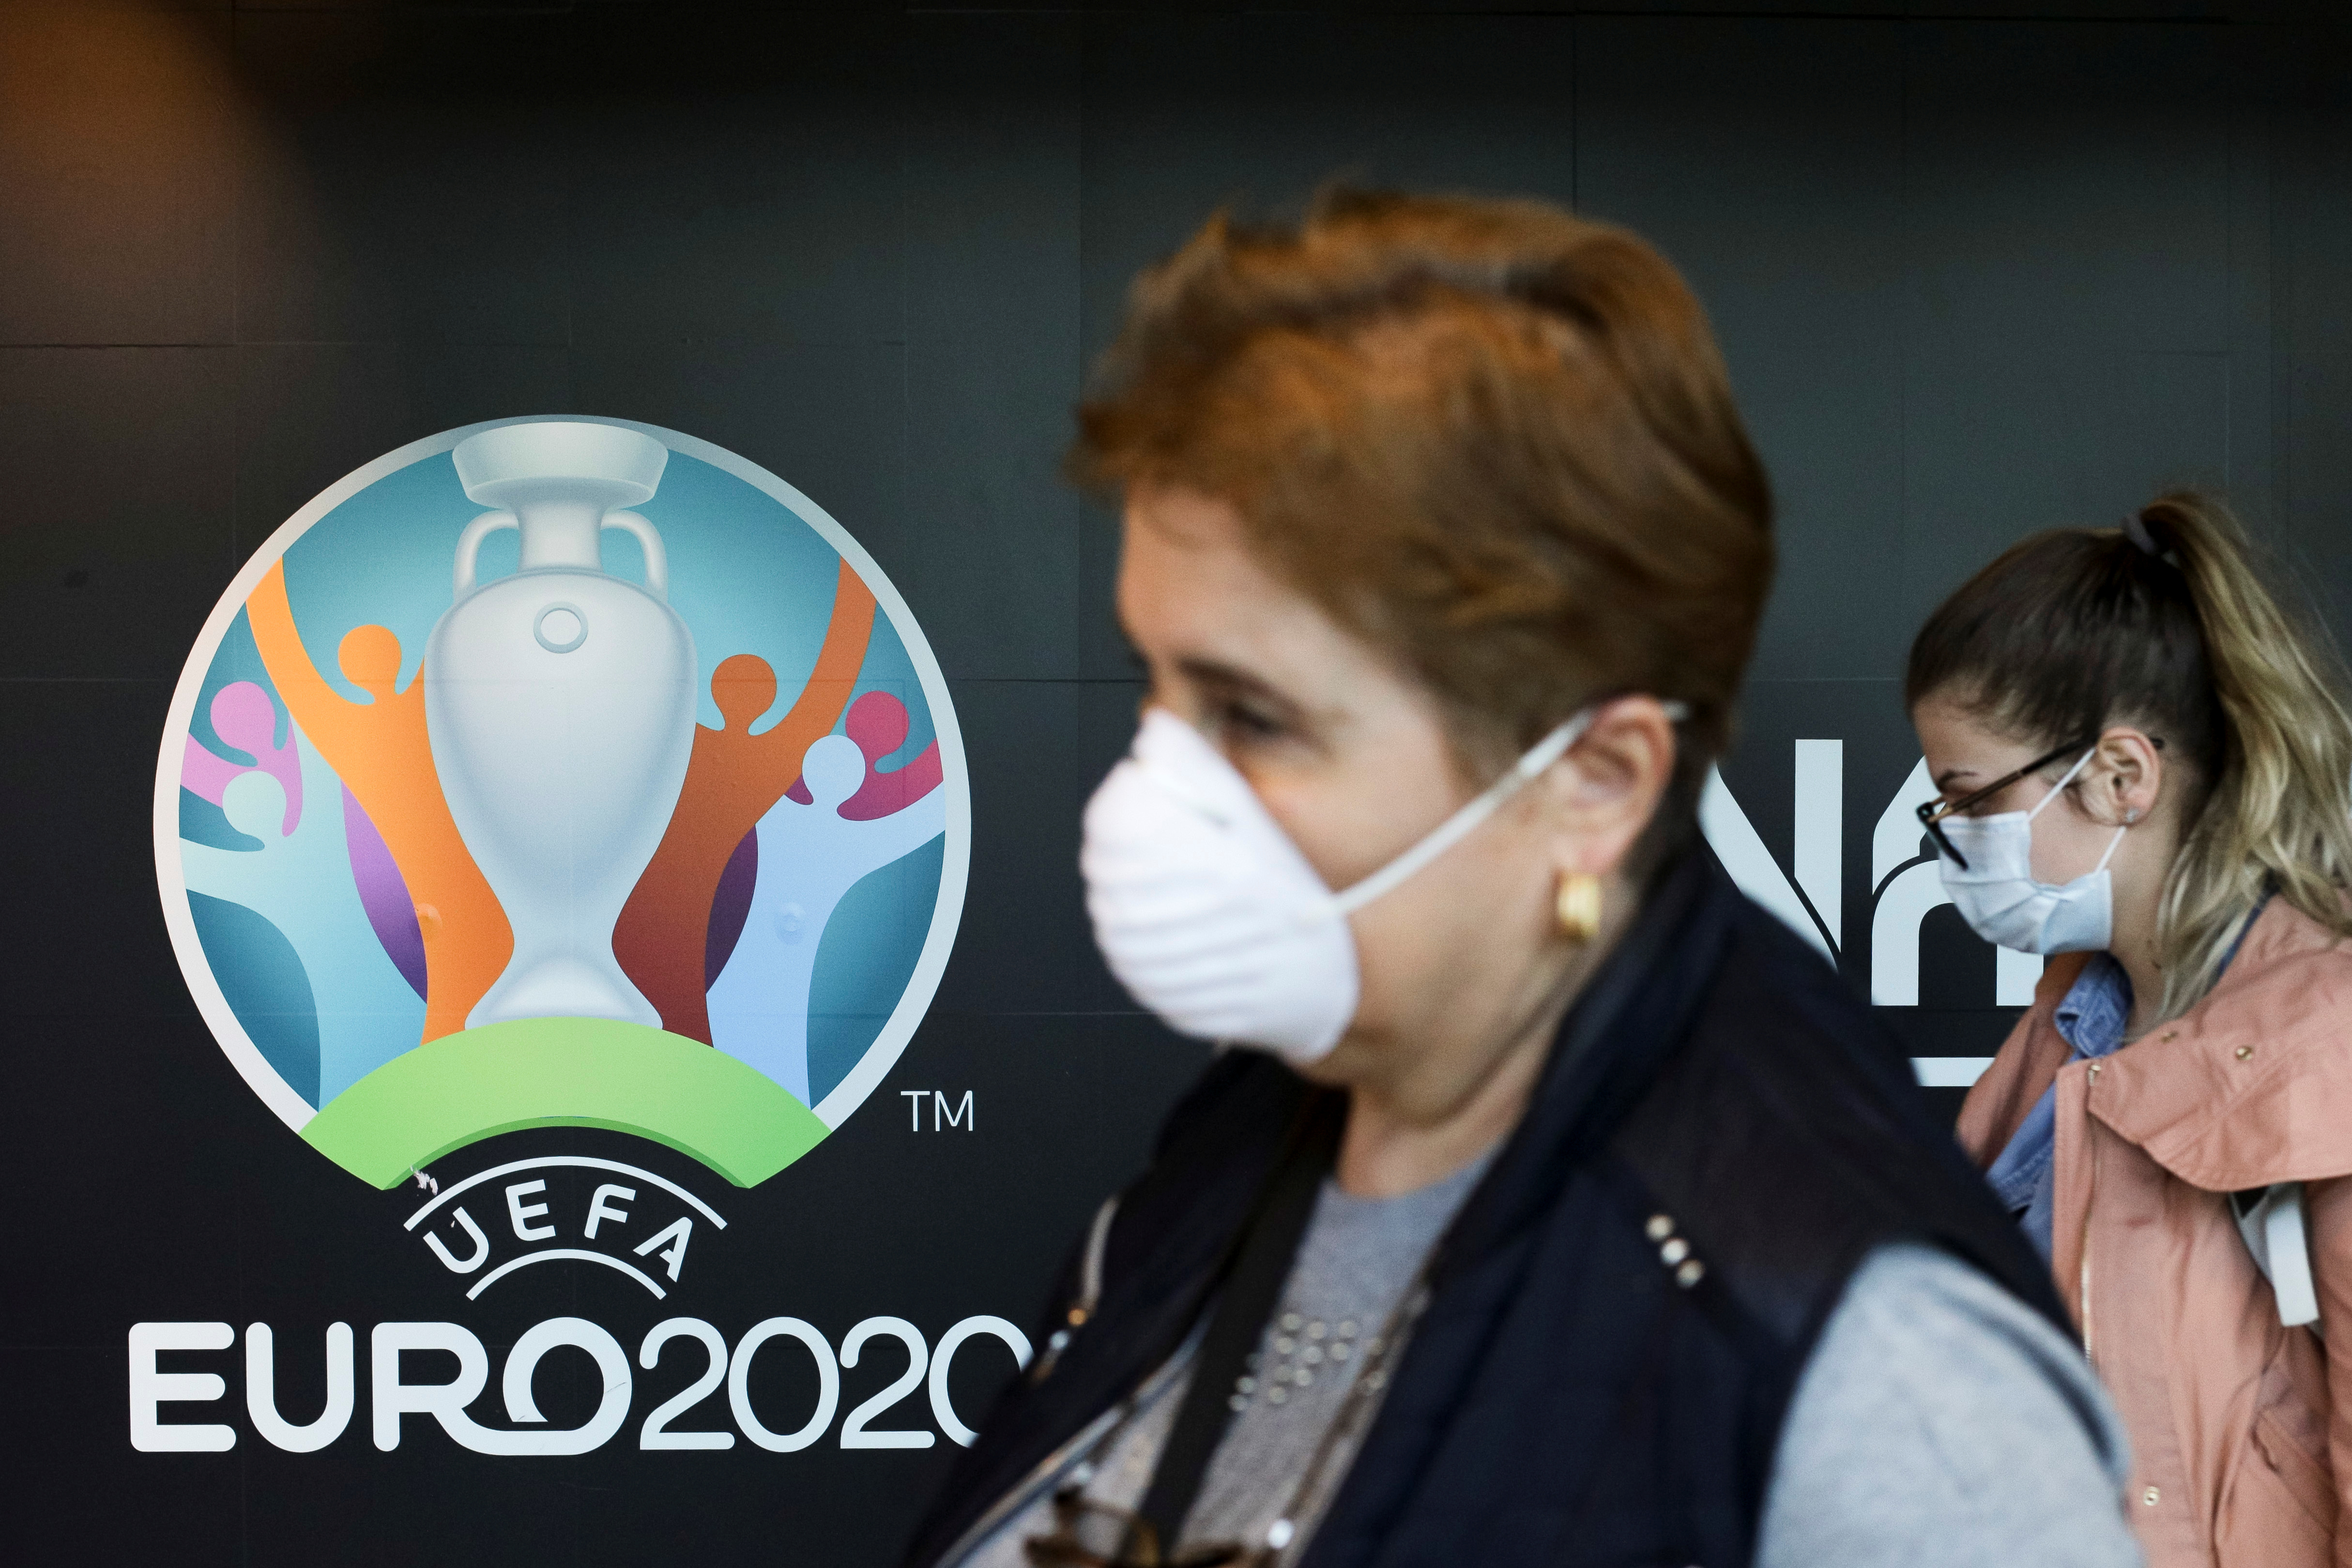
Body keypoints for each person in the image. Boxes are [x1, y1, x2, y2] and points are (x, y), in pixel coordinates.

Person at [901, 191, 2139, 1568]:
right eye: (1161, 689)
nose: (1152, 788)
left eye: (1254, 717)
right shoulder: (1237, 1150)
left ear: (1594, 782)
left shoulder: (1871, 1377)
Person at [1911, 495, 2352, 1567]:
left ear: (2117, 778)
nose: (1946, 839)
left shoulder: (2322, 1050)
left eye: (1964, 798)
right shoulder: (2066, 1029)